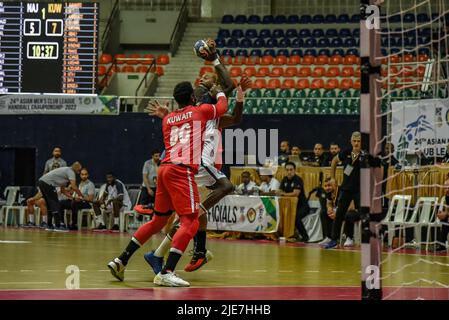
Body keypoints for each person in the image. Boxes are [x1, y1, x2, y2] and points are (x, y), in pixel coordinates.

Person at [107, 80, 228, 287]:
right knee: (191, 221)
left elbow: (177, 122)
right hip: (182, 170)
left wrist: (166, 114)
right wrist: (219, 92)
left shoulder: (168, 119)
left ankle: (121, 260)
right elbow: (223, 108)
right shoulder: (201, 111)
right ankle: (167, 271)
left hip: (163, 169)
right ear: (192, 97)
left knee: (158, 221)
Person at [143, 46, 251, 274]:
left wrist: (239, 93)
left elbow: (236, 113)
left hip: (198, 164)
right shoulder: (200, 100)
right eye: (203, 78)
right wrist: (215, 62)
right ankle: (180, 253)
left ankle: (171, 253)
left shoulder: (213, 115)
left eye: (208, 78)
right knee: (198, 211)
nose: (203, 79)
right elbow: (227, 86)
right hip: (194, 163)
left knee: (196, 216)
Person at [325, 132, 379, 249]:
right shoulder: (345, 152)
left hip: (360, 190)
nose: (356, 143)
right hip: (346, 189)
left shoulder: (365, 154)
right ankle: (334, 240)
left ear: (361, 142)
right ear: (351, 141)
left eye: (358, 141)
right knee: (339, 214)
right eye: (354, 141)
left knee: (364, 214)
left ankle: (367, 240)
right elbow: (334, 161)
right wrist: (333, 177)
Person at [37, 163, 83, 231]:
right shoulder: (71, 171)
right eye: (79, 170)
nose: (79, 172)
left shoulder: (65, 173)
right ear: (75, 168)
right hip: (48, 183)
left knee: (49, 205)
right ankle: (58, 226)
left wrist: (72, 198)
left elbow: (63, 191)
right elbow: (74, 186)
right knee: (55, 203)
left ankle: (49, 225)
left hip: (41, 182)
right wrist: (81, 195)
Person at [277, 162, 310, 242]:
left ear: (295, 170)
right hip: (289, 206)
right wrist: (280, 192)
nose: (289, 172)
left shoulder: (298, 179)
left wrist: (283, 194)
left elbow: (296, 193)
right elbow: (279, 191)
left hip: (302, 206)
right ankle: (287, 235)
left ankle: (305, 237)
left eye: (291, 170)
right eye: (287, 170)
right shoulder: (284, 179)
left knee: (296, 217)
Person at [435, 177, 449, 251]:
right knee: (445, 221)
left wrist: (446, 213)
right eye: (445, 188)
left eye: (448, 188)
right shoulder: (446, 197)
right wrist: (442, 214)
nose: (447, 190)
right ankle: (442, 245)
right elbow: (447, 209)